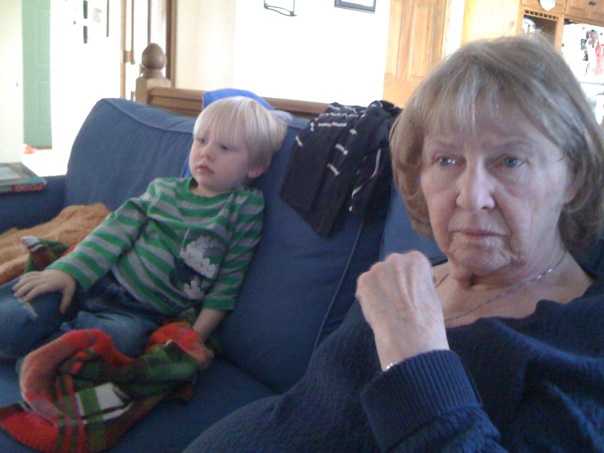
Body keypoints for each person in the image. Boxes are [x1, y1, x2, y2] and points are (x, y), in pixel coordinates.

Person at [183, 36, 604, 451]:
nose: (471, 196)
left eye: (510, 161)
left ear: (575, 176)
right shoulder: (416, 277)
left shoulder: (585, 340)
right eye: (447, 160)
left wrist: (417, 362)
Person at [0, 96, 288, 360]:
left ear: (255, 167)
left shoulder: (243, 209)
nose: (206, 153)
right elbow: (113, 231)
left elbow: (228, 284)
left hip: (139, 314)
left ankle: (47, 357)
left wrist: (195, 337)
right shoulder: (163, 191)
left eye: (224, 148)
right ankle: (31, 337)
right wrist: (68, 271)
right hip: (97, 279)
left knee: (120, 342)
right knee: (20, 310)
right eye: (201, 140)